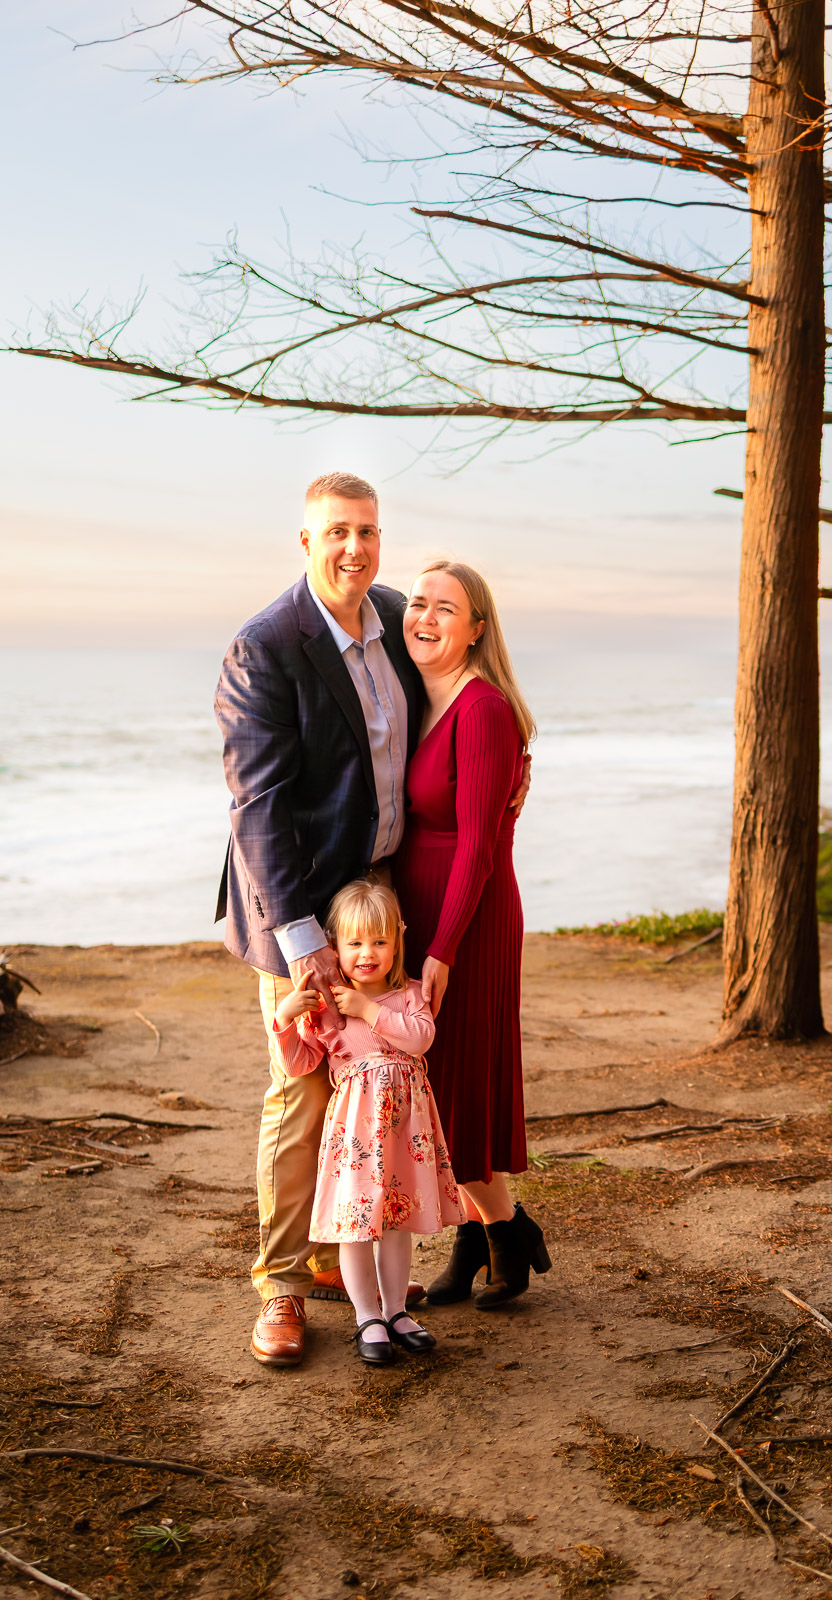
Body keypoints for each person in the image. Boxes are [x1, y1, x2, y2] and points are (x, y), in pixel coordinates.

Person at [216, 473, 528, 1367]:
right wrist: (305, 943)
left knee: (384, 1077)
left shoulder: (394, 616)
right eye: (337, 533)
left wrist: (509, 772)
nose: (354, 548)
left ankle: (351, 1253)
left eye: (367, 532)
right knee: (304, 1090)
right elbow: (259, 809)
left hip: (383, 900)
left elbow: (467, 701)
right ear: (306, 541)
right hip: (300, 910)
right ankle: (281, 1286)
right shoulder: (264, 648)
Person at [394, 562, 551, 1309]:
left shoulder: (482, 709)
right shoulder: (417, 699)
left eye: (445, 608)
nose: (425, 617)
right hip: (421, 914)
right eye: (417, 603)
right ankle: (479, 1242)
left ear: (477, 629)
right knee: (438, 1088)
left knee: (457, 1090)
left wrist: (443, 947)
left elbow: (479, 846)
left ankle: (510, 1230)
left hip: (469, 916)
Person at [270, 879, 462, 1365]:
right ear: (335, 946)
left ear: (398, 940)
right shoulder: (329, 1011)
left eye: (379, 941)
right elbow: (298, 1065)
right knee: (357, 1227)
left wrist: (369, 1009)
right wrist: (285, 1019)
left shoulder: (410, 995)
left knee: (396, 1224)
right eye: (354, 943)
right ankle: (366, 1316)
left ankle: (396, 1311)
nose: (367, 954)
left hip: (403, 1134)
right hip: (356, 1136)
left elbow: (419, 1039)